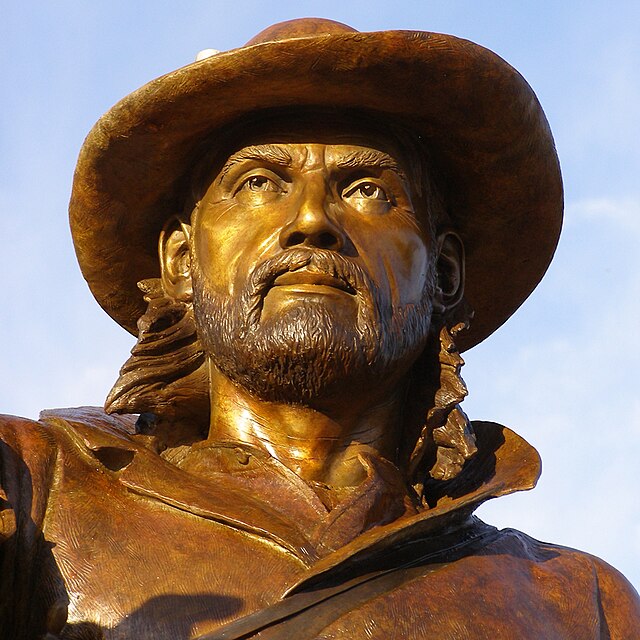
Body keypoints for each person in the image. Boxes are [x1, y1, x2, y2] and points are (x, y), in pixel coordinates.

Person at [1, 17, 638, 640]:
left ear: (443, 272)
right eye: (257, 183)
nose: (312, 219)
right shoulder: (35, 489)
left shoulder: (582, 604)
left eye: (368, 189)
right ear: (180, 262)